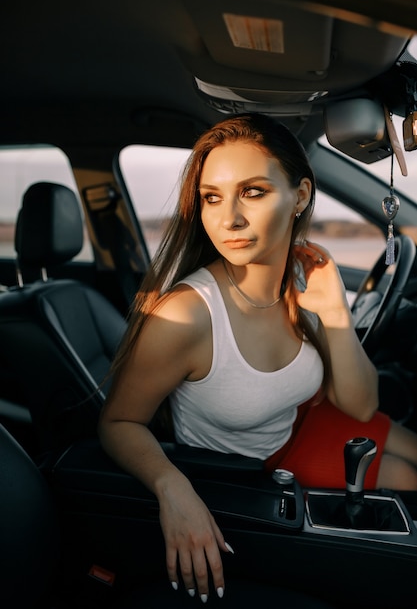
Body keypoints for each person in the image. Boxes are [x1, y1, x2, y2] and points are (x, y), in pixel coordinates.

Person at [98, 113, 417, 602]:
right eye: (211, 197)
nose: (230, 219)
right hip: (254, 471)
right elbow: (118, 421)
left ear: (301, 196)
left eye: (252, 192)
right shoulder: (185, 316)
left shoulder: (302, 275)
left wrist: (333, 311)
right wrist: (172, 486)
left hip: (302, 422)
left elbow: (360, 405)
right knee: (408, 482)